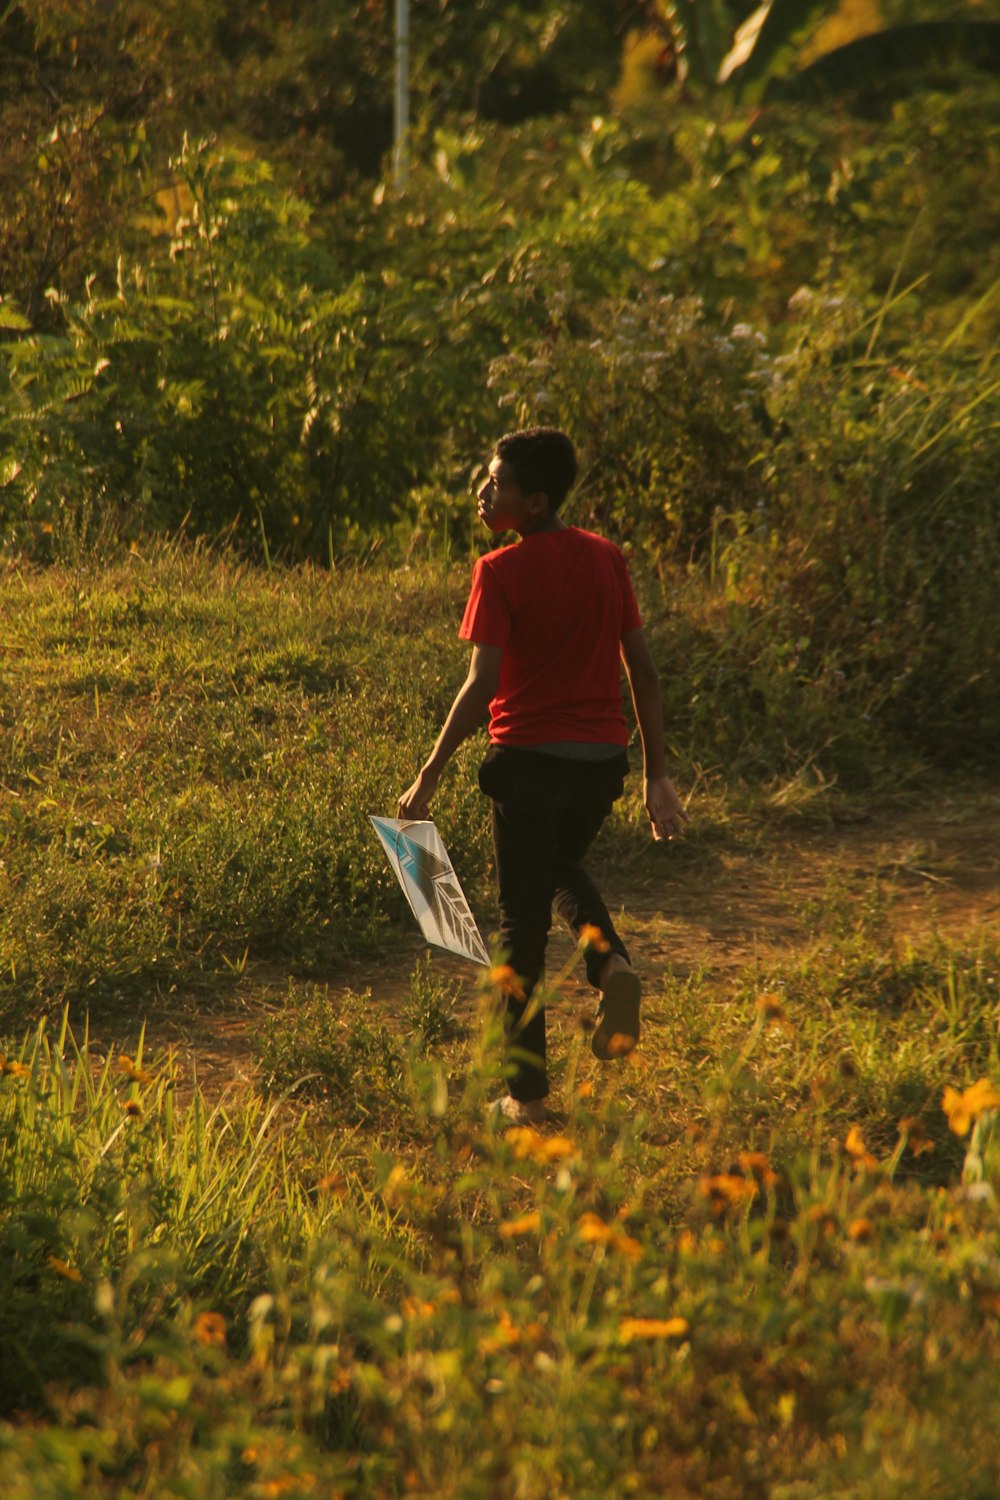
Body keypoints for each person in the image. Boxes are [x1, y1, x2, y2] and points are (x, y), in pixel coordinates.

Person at [397, 427, 687, 1124]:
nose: (483, 490)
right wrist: (657, 777)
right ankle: (610, 966)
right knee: (559, 865)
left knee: (519, 929)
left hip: (526, 766)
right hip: (600, 766)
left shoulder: (498, 571)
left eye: (496, 484)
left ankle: (526, 1097)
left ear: (534, 501)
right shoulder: (606, 558)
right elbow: (642, 671)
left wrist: (430, 772)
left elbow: (481, 687)